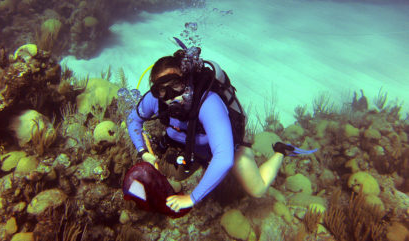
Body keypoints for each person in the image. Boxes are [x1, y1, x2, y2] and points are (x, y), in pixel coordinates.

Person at [127, 47, 306, 213]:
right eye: (162, 90)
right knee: (173, 176)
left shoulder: (208, 103)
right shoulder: (154, 99)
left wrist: (192, 198)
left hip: (227, 149)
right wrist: (143, 152)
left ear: (187, 81)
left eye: (175, 85)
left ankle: (281, 151)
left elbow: (224, 157)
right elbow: (133, 120)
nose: (171, 96)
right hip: (192, 150)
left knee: (257, 190)